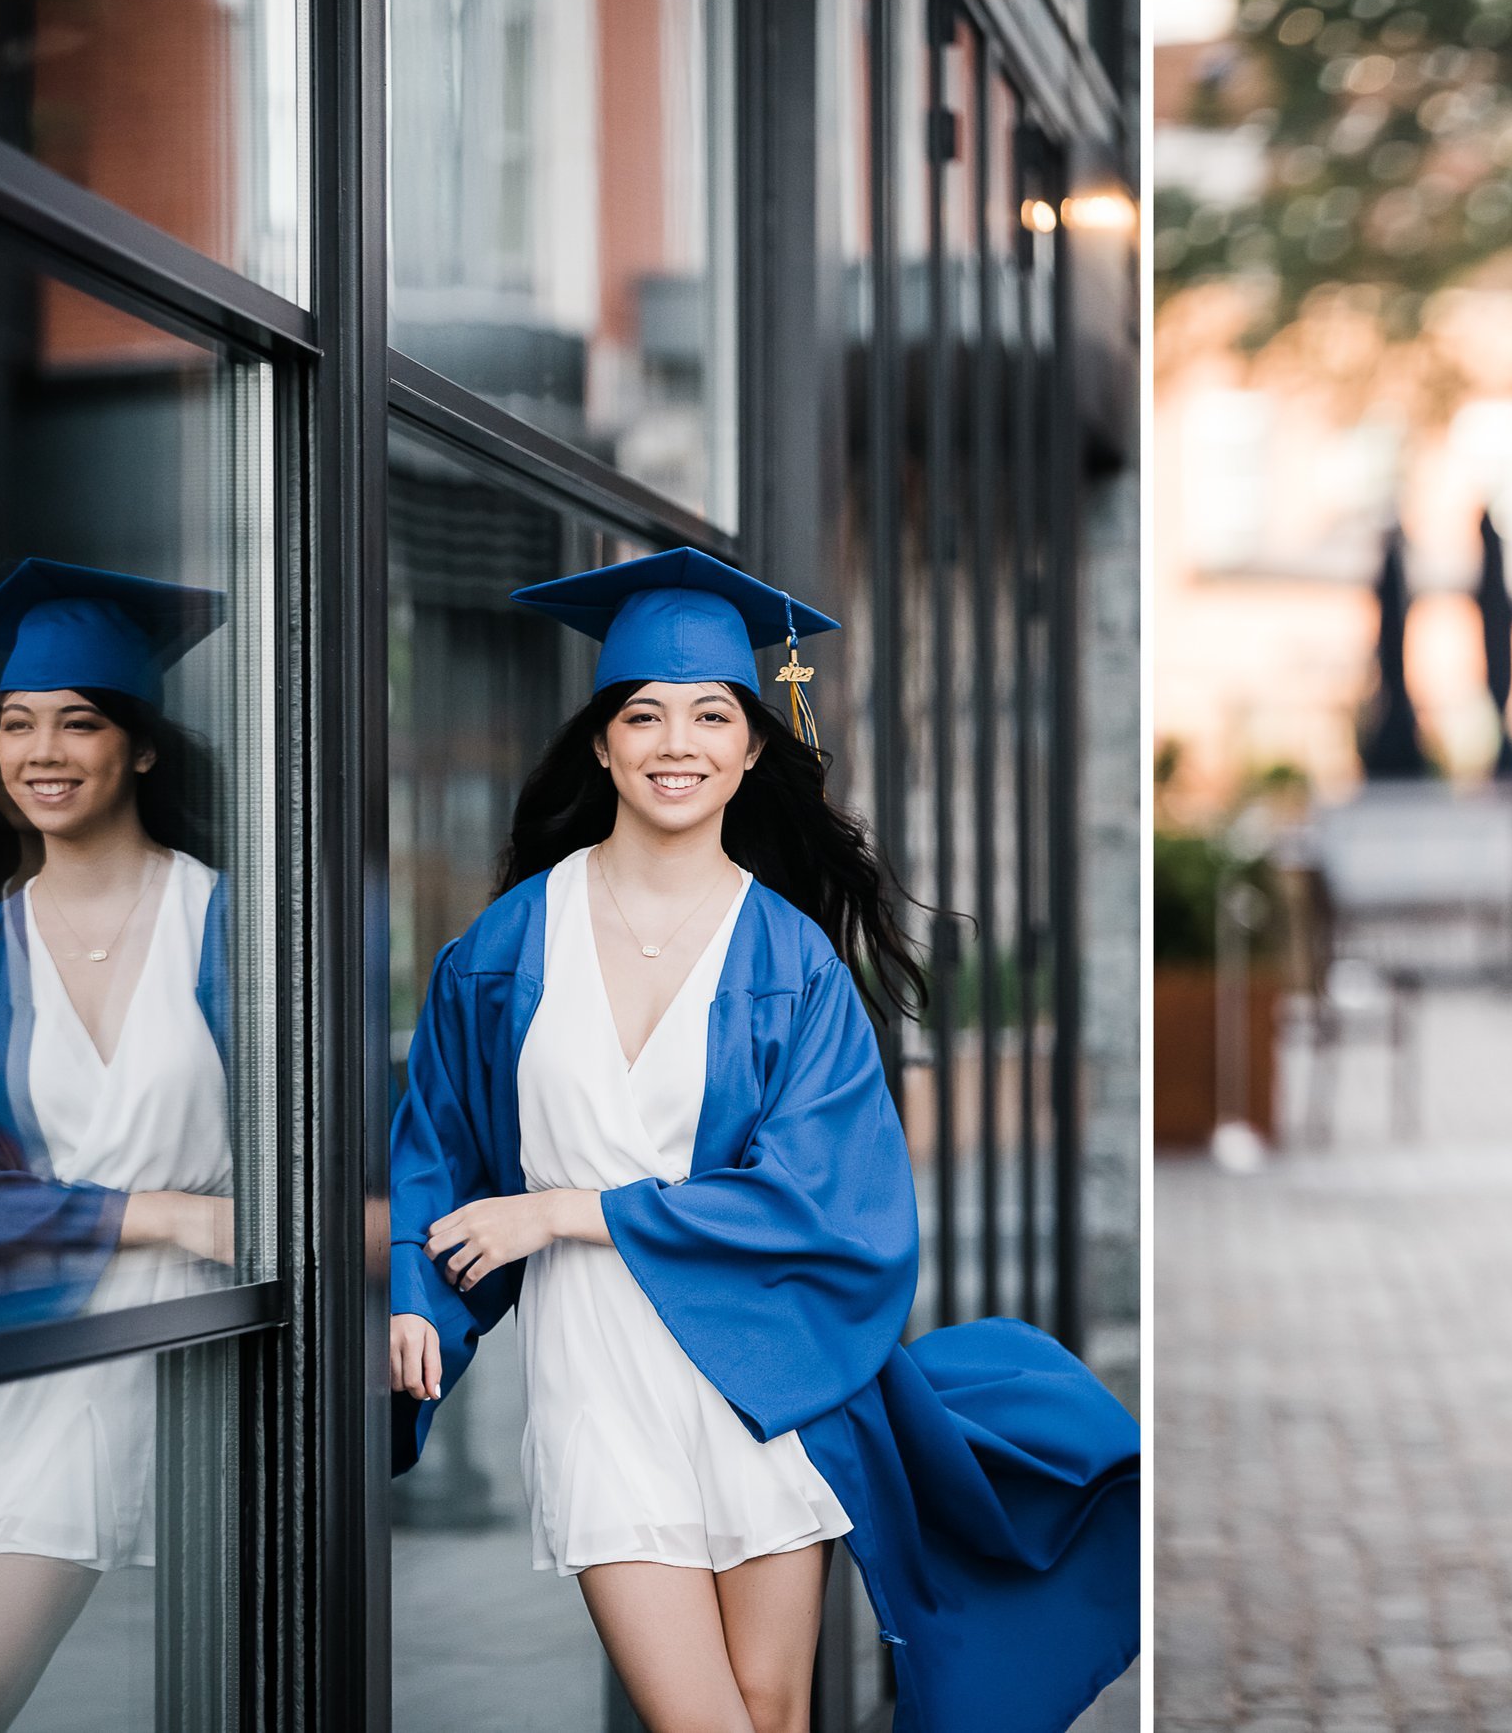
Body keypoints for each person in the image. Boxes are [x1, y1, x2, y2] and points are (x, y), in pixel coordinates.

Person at [386, 548, 1138, 1733]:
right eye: (643, 714)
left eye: (709, 715)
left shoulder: (792, 962)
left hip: (764, 1387)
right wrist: (418, 1300)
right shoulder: (504, 949)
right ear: (601, 742)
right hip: (600, 1389)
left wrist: (570, 1209)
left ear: (748, 747)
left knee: (770, 1715)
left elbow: (833, 1209)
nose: (674, 741)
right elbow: (440, 1150)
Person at [0, 559, 237, 1730]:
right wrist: (158, 1209)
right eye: (13, 724)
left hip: (133, 1346)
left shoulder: (232, 925)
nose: (39, 751)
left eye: (77, 722)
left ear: (138, 747)